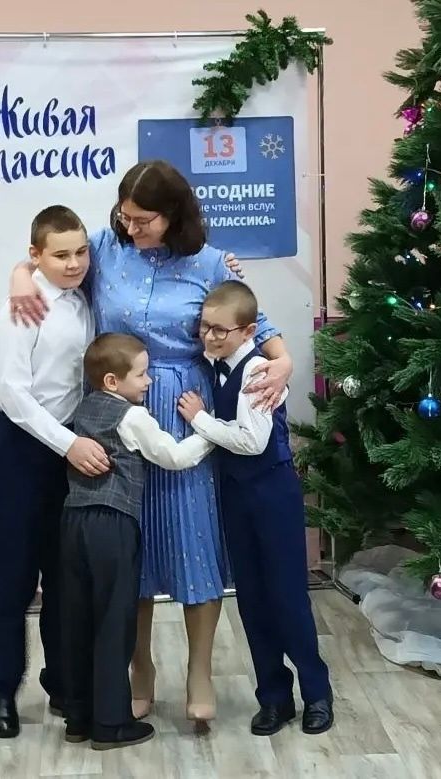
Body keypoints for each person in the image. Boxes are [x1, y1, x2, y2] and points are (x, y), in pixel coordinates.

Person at [8, 160, 293, 723]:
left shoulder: (211, 263)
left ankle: (200, 672)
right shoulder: (104, 247)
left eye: (143, 219)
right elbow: (51, 260)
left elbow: (256, 326)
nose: (130, 226)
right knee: (127, 547)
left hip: (187, 411)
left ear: (174, 215)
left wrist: (282, 362)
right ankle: (141, 668)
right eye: (125, 215)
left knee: (194, 541)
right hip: (117, 414)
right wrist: (20, 275)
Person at [177, 280, 334, 736]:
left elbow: (252, 441)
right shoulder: (215, 365)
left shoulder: (259, 370)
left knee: (287, 597)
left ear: (248, 331)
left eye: (220, 330)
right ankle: (273, 697)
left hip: (272, 494)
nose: (209, 337)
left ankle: (317, 694)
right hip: (236, 496)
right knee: (251, 599)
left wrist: (200, 420)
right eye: (205, 327)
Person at [0, 205, 111, 740]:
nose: (74, 262)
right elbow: (13, 395)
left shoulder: (84, 296)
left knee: (65, 574)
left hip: (67, 444)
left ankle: (63, 684)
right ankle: (0, 691)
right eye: (61, 255)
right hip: (20, 446)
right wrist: (68, 444)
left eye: (81, 252)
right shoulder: (23, 306)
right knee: (15, 574)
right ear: (36, 255)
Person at [61, 333, 215, 750]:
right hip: (113, 524)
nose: (150, 381)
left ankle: (78, 717)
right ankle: (112, 723)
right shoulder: (133, 417)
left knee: (79, 619)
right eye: (142, 374)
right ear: (113, 381)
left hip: (73, 521)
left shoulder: (83, 407)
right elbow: (174, 457)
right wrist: (210, 433)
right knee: (116, 620)